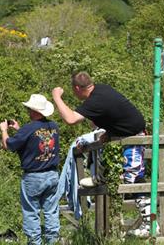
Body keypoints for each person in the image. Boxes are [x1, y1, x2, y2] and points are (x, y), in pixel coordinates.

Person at [52, 71, 153, 237]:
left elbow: (70, 119)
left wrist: (57, 98)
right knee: (116, 170)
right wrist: (109, 132)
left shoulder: (96, 100)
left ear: (77, 88)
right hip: (123, 136)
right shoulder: (102, 89)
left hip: (134, 137)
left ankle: (149, 225)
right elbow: (115, 114)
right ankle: (102, 178)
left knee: (133, 179)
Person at [0, 94, 60, 245]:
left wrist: (4, 130)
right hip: (52, 174)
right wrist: (19, 129)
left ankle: (34, 242)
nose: (27, 111)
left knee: (31, 212)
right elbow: (37, 139)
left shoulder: (29, 128)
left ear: (34, 111)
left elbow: (9, 145)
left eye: (29, 109)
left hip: (33, 177)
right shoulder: (54, 127)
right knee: (51, 211)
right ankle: (52, 241)